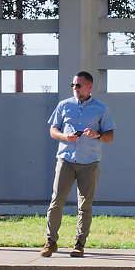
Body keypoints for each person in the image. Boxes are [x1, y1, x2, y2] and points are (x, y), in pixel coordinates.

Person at [41, 70, 113, 257]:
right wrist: (64, 137)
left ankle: (79, 244)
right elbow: (52, 130)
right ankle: (50, 242)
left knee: (85, 205)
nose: (75, 88)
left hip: (89, 162)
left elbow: (109, 136)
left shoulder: (101, 108)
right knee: (56, 201)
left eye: (78, 85)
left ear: (89, 87)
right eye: (73, 85)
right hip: (65, 159)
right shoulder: (64, 105)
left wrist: (96, 134)